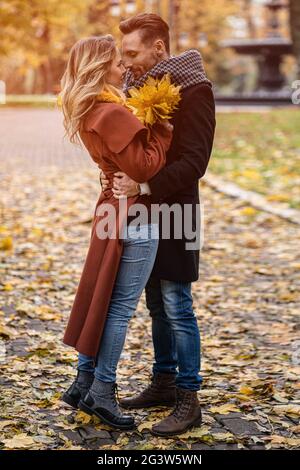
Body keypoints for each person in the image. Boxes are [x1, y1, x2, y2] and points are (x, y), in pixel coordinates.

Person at [100, 13, 216, 436]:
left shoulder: (196, 91)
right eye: (123, 55)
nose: (127, 62)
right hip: (146, 214)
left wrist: (145, 185)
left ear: (159, 48)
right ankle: (164, 381)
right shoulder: (136, 89)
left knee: (177, 304)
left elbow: (195, 162)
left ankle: (189, 398)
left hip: (178, 210)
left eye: (133, 53)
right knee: (154, 302)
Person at [60, 35, 173, 430]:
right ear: (100, 65)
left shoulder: (88, 109)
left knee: (102, 297)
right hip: (135, 215)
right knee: (120, 307)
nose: (124, 65)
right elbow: (143, 168)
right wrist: (160, 129)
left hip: (110, 208)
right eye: (116, 59)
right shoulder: (114, 113)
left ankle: (84, 380)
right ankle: (102, 392)